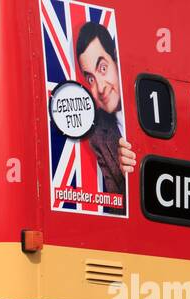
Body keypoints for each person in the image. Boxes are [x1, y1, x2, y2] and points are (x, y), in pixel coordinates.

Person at [75, 21, 137, 201]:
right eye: (91, 79)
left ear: (117, 61)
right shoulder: (97, 137)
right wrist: (129, 180)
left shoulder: (151, 105)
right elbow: (116, 211)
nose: (100, 88)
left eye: (103, 68)